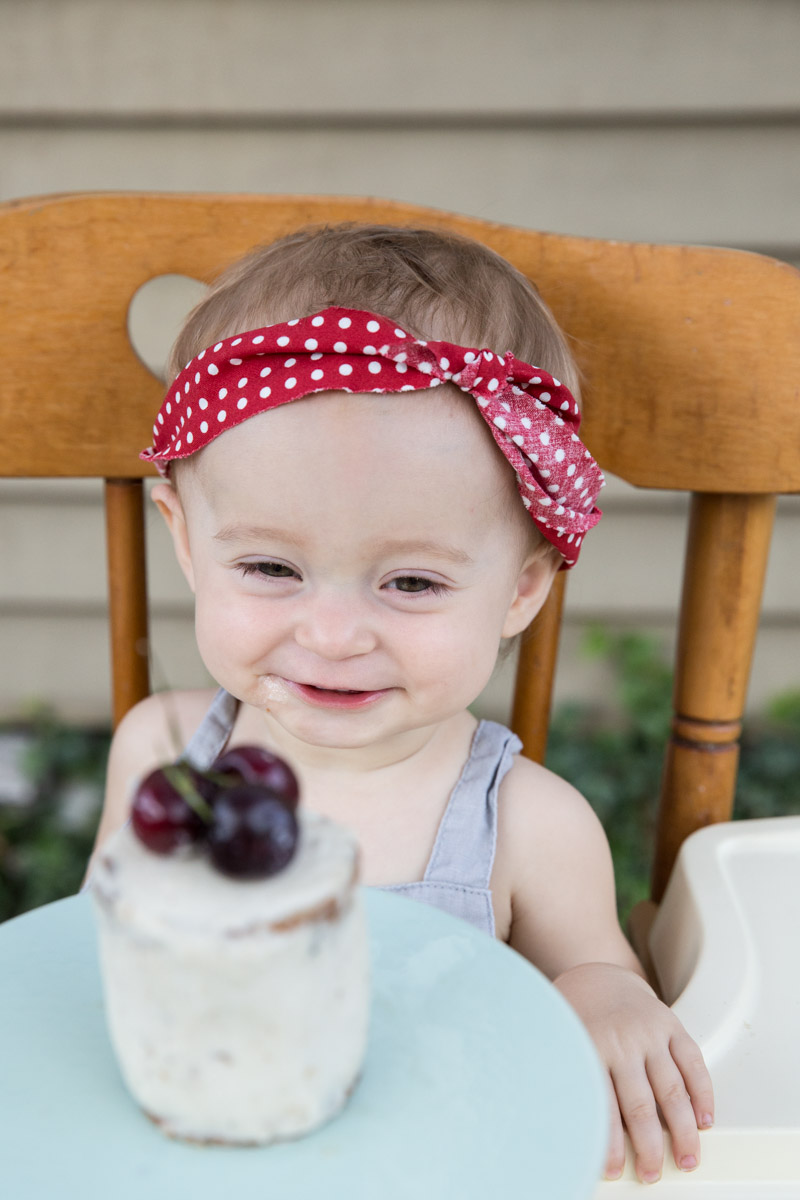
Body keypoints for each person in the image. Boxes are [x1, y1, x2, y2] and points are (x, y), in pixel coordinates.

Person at [89, 224, 713, 1184]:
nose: (334, 634)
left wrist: (606, 996)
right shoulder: (165, 762)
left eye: (412, 584)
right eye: (268, 567)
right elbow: (103, 956)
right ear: (184, 538)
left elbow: (595, 968)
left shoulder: (528, 825)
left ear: (521, 589)